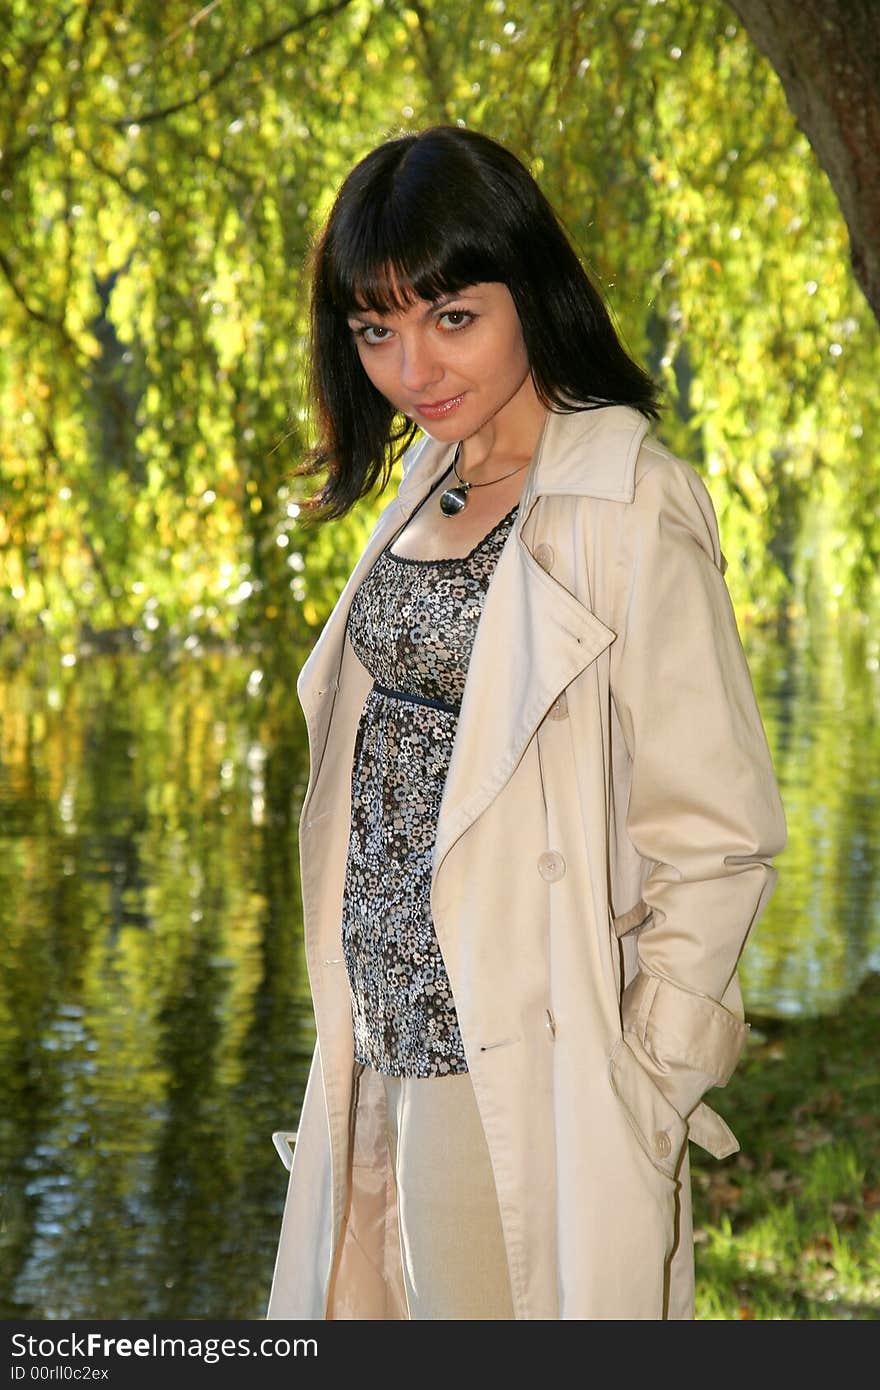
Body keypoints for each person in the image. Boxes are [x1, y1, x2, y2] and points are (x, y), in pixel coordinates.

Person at [265, 124, 787, 1321]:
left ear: (529, 291)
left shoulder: (624, 500)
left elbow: (715, 836)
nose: (412, 367)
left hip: (515, 1072)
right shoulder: (423, 482)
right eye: (374, 329)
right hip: (373, 1044)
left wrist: (646, 1086)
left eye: (452, 317)